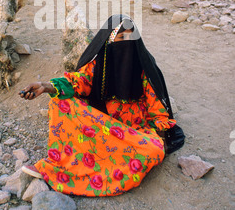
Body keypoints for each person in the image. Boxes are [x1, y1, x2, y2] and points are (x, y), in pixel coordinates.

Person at [19, 14, 185, 197]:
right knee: (60, 102)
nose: (126, 42)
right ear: (109, 40)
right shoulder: (100, 64)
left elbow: (158, 113)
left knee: (153, 150)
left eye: (130, 37)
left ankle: (104, 159)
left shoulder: (144, 68)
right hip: (102, 126)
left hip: (133, 132)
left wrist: (157, 138)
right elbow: (78, 82)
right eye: (120, 37)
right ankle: (57, 166)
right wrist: (45, 86)